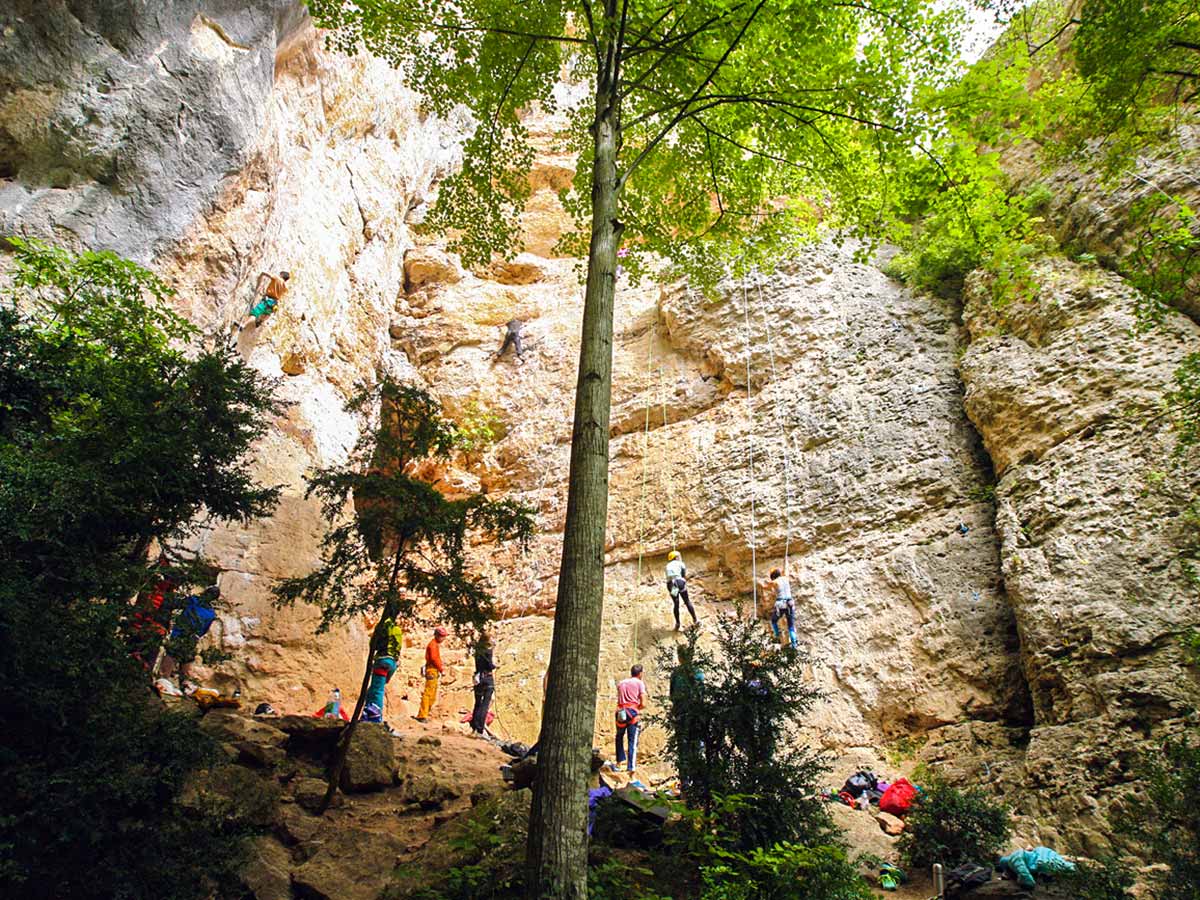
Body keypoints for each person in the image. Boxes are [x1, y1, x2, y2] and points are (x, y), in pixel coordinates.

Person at [612, 664, 648, 774]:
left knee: (619, 737)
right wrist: (637, 708)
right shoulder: (639, 683)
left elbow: (620, 698)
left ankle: (619, 762)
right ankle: (630, 768)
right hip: (632, 714)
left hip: (620, 713)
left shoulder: (621, 683)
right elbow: (644, 703)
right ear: (640, 673)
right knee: (632, 740)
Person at [415, 626, 448, 721]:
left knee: (432, 694)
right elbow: (434, 659)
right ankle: (422, 715)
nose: (443, 638)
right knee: (428, 693)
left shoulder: (434, 644)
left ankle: (425, 713)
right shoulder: (433, 645)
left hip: (433, 670)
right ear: (437, 636)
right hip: (432, 670)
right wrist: (441, 669)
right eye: (442, 636)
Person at [470, 631, 498, 736]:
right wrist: (495, 666)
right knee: (485, 704)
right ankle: (480, 728)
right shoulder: (488, 651)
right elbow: (489, 665)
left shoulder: (477, 651)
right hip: (487, 678)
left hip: (478, 678)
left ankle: (474, 726)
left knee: (477, 703)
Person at [761, 566, 797, 648]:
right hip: (790, 603)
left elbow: (767, 587)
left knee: (773, 620)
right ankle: (794, 644)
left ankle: (777, 636)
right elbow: (786, 569)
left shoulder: (775, 582)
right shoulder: (786, 578)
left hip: (781, 604)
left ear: (773, 576)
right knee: (791, 626)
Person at [665, 550, 697, 631]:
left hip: (672, 585)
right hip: (679, 583)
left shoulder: (667, 565)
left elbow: (669, 577)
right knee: (687, 601)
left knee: (676, 603)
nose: (679, 557)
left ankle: (677, 623)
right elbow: (683, 574)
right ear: (676, 557)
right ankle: (695, 620)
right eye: (678, 556)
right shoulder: (680, 563)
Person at [361, 652, 398, 724]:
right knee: (374, 689)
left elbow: (373, 645)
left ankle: (375, 717)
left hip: (382, 661)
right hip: (393, 663)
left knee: (377, 691)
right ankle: (368, 713)